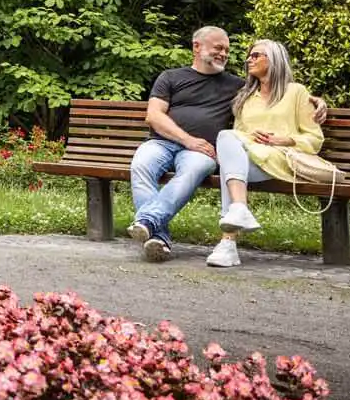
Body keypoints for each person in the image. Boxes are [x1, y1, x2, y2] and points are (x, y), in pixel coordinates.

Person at [129, 27, 327, 263]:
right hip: (163, 143)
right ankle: (158, 235)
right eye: (218, 48)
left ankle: (152, 223)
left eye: (227, 50)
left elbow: (281, 92)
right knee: (141, 165)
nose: (225, 54)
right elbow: (154, 115)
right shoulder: (174, 78)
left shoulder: (239, 87)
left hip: (208, 152)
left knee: (204, 167)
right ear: (197, 47)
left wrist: (316, 100)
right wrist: (188, 140)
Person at [206, 39, 324, 270]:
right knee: (229, 145)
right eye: (249, 56)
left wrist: (286, 139)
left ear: (274, 60)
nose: (249, 59)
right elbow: (239, 135)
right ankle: (237, 215)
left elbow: (315, 139)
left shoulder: (296, 92)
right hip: (252, 161)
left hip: (281, 160)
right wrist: (250, 134)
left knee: (230, 168)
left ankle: (228, 241)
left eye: (256, 55)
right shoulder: (246, 96)